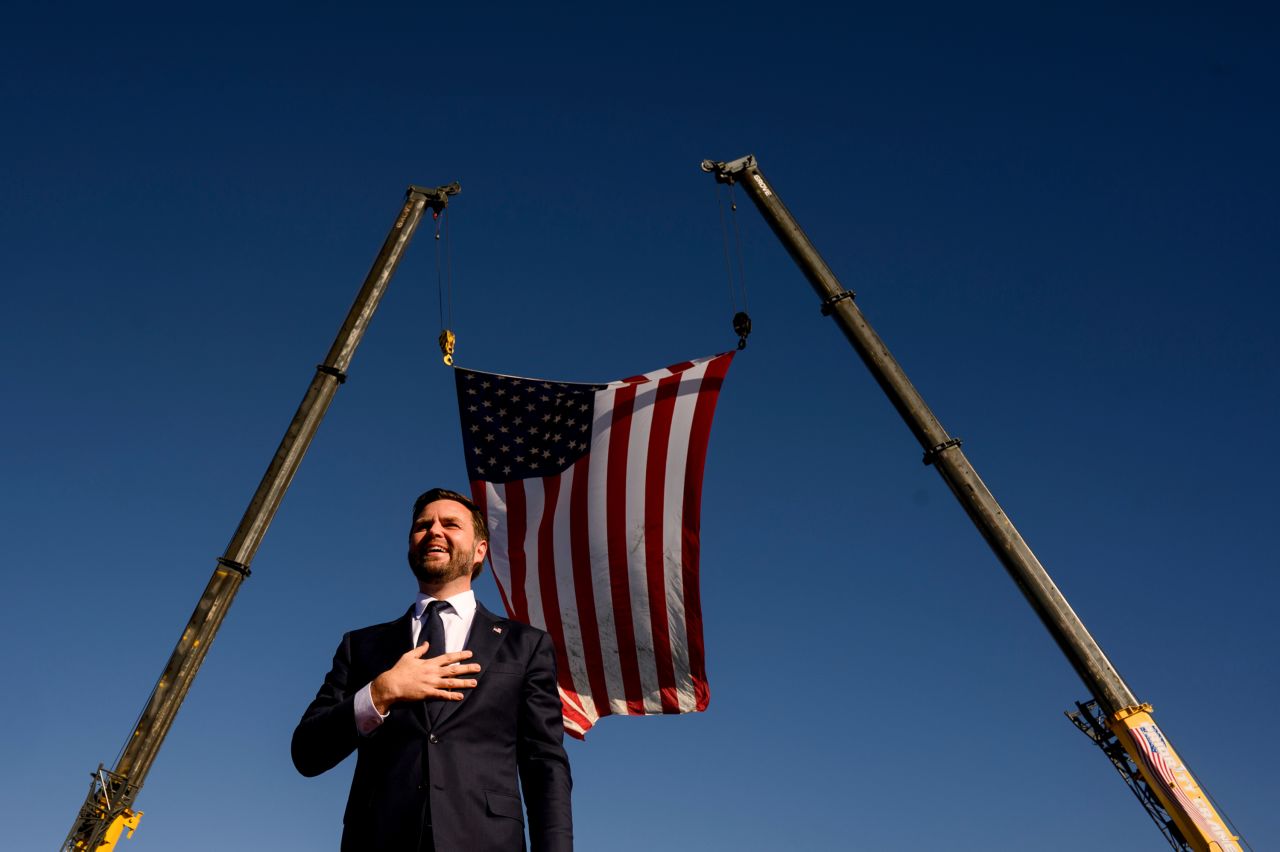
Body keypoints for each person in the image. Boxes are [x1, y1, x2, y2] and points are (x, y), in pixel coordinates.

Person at [291, 488, 573, 852]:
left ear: (479, 551)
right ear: (411, 546)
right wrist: (379, 693)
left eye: (451, 524)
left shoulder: (526, 645)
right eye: (423, 525)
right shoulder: (361, 646)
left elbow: (544, 763)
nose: (434, 531)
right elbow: (306, 753)